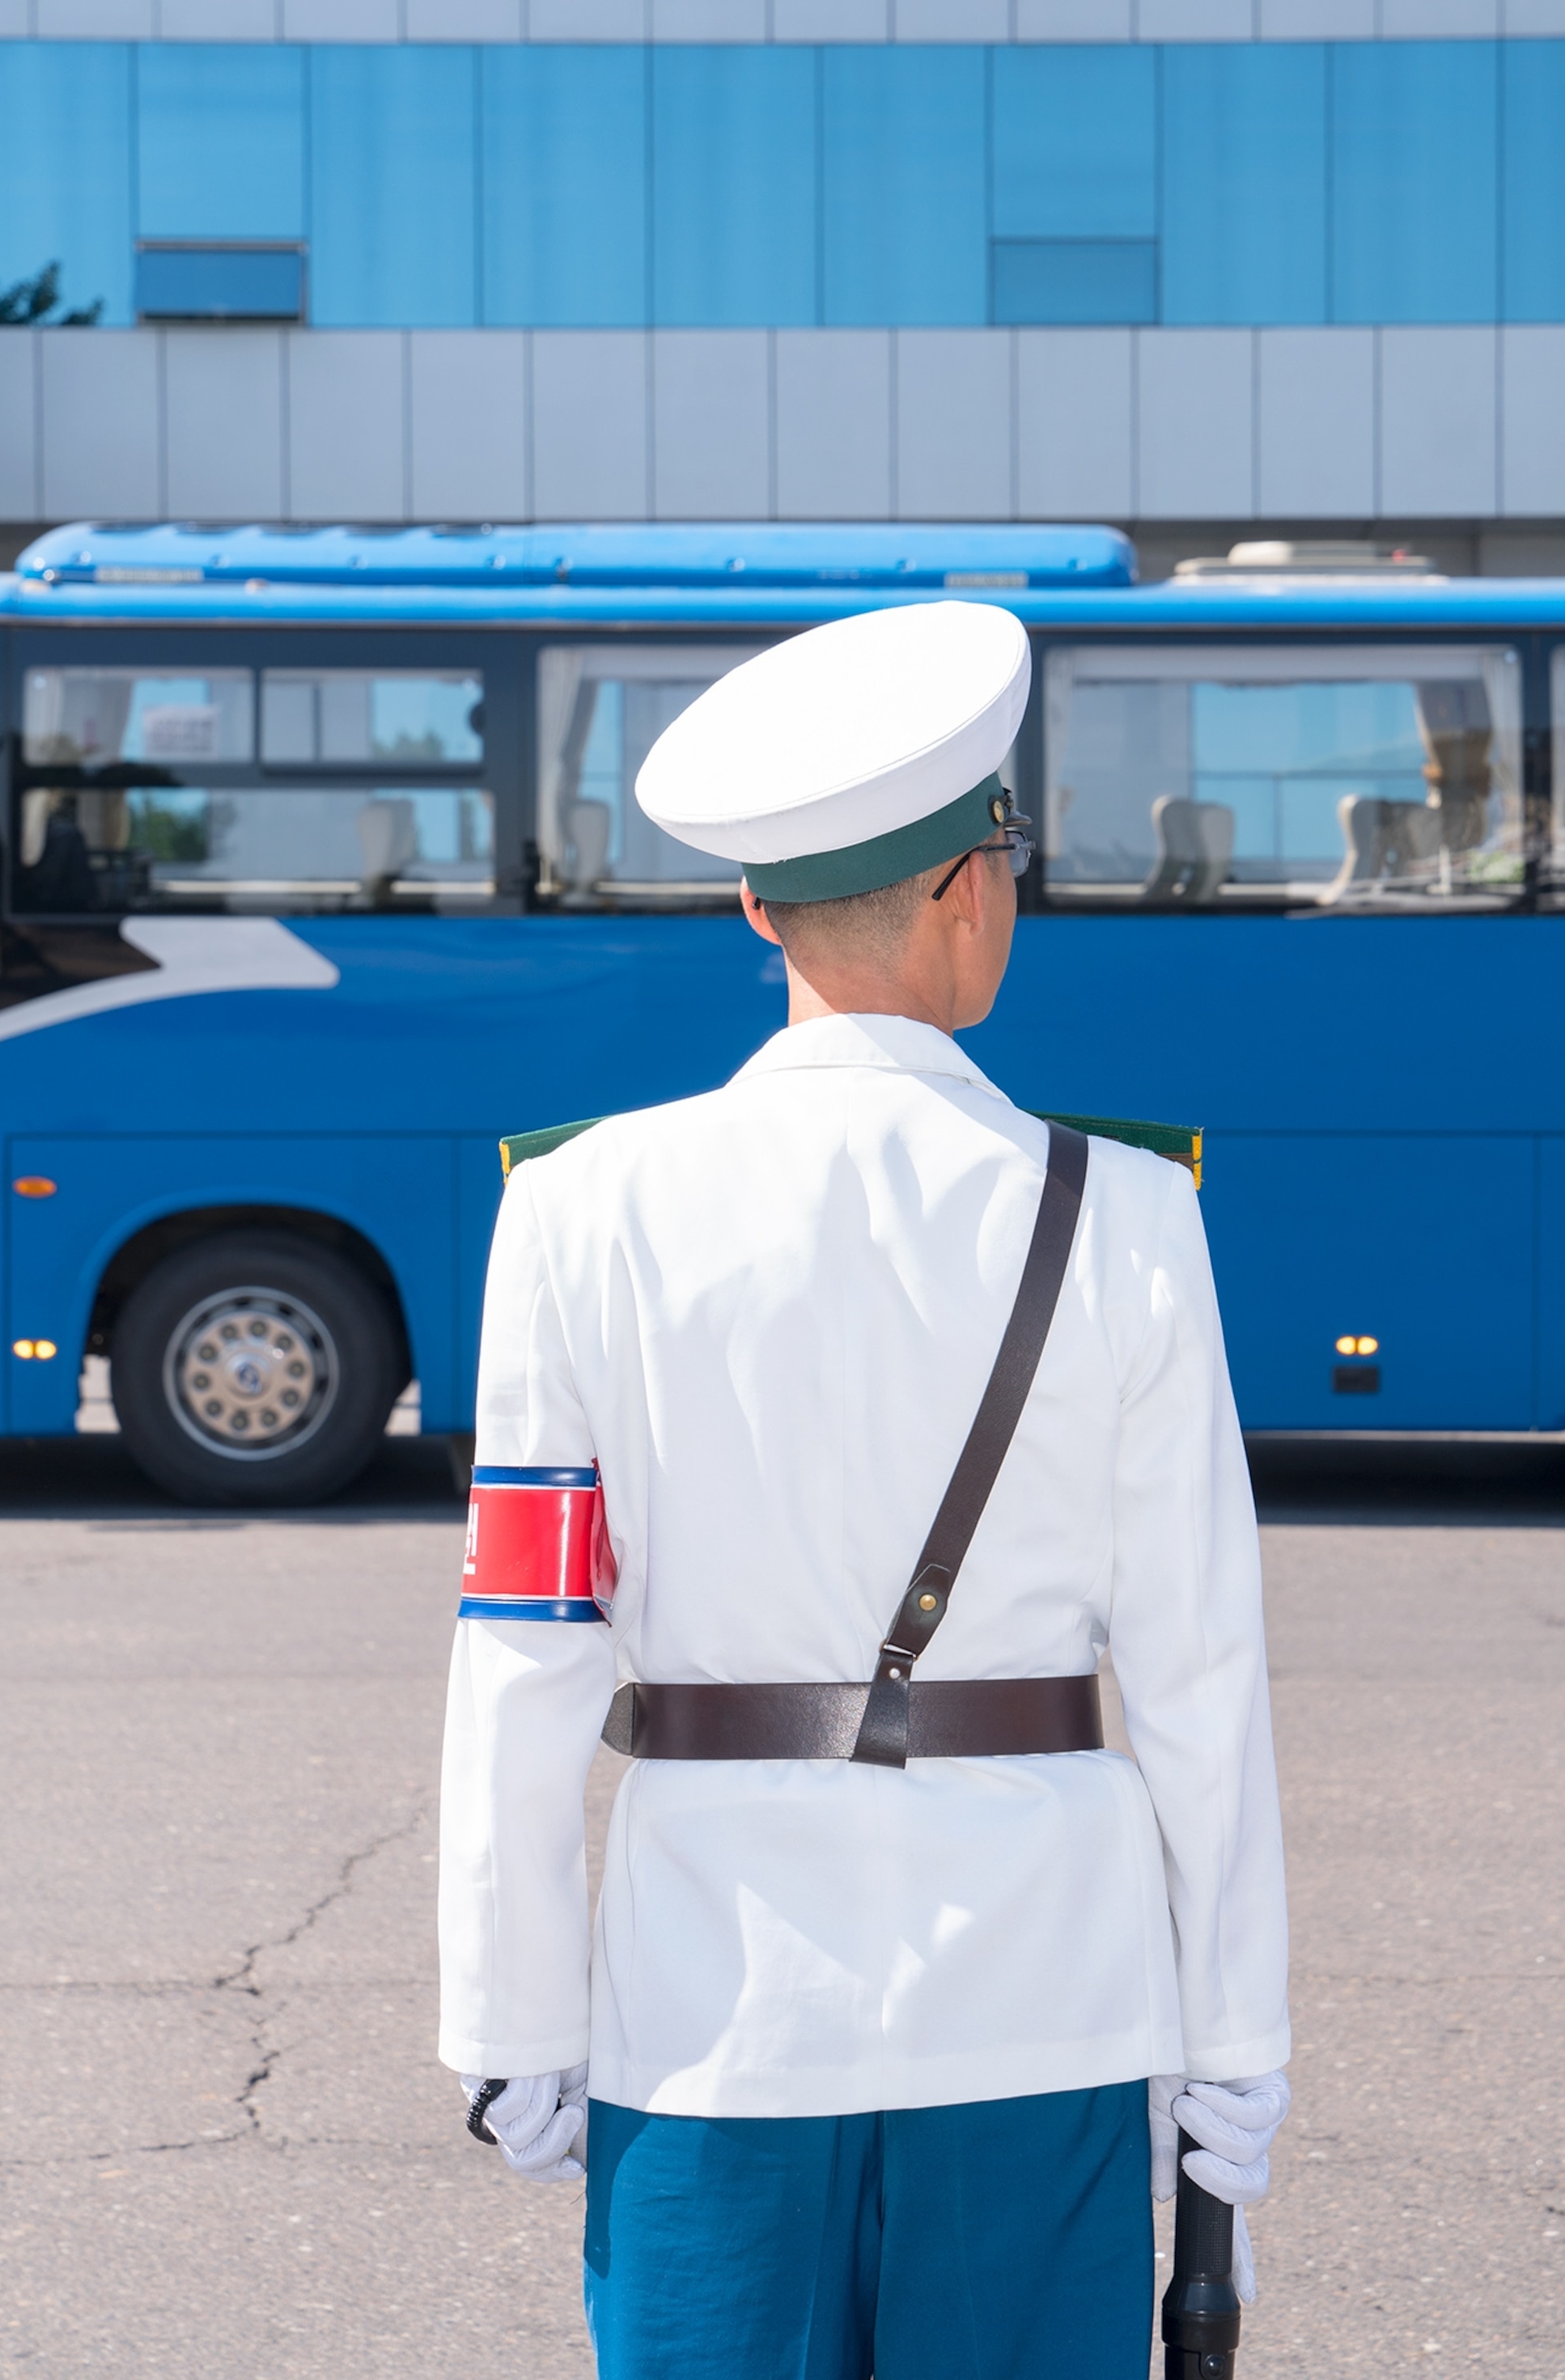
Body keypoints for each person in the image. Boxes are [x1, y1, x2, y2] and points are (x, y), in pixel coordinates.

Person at [438, 598, 1291, 2379]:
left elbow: (526, 1640)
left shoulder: (574, 1209)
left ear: (758, 906)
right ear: (971, 887)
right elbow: (1199, 1671)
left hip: (708, 2004)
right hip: (1044, 2000)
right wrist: (1231, 2035)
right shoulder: (1127, 1214)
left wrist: (507, 2015)